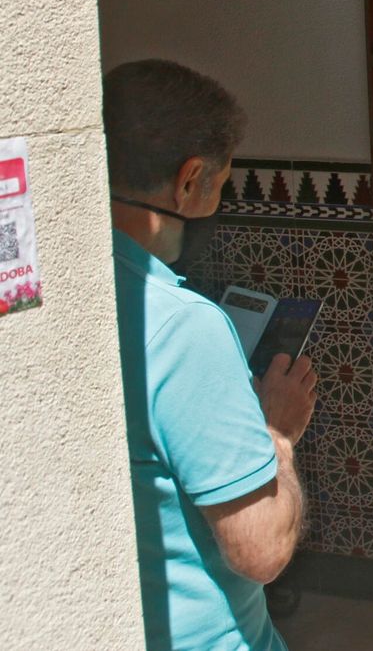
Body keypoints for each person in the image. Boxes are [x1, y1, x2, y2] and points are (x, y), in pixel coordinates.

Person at [105, 59, 317, 651]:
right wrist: (276, 430)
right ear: (189, 178)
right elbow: (261, 552)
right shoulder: (183, 329)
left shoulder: (60, 293)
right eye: (220, 185)